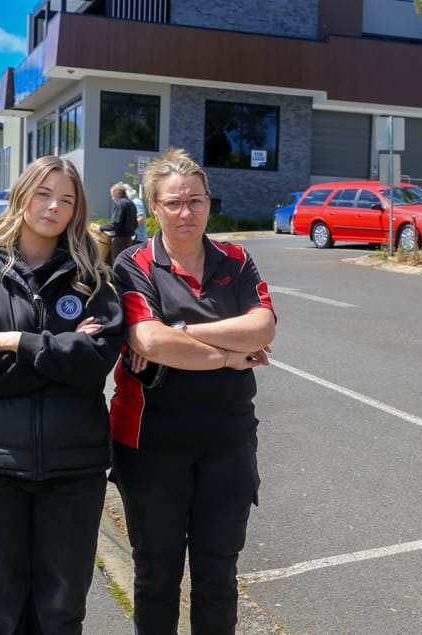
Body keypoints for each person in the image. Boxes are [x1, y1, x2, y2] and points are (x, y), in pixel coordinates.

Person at [0, 155, 125, 634]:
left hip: (73, 469)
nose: (53, 207)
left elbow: (97, 363)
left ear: (77, 210)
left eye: (66, 199)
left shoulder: (94, 279)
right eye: (44, 194)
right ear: (22, 196)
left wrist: (20, 342)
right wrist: (63, 354)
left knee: (61, 612)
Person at [108, 148, 277, 634]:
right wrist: (226, 354)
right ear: (154, 209)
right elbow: (148, 339)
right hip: (151, 444)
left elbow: (262, 329)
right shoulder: (133, 263)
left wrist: (177, 332)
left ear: (209, 204)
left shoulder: (237, 259)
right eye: (174, 203)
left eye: (196, 201)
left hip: (227, 442)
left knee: (218, 575)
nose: (187, 212)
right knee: (157, 574)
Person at [94, 181, 138, 264]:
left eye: (112, 195)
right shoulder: (131, 203)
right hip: (129, 239)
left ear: (117, 193)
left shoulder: (120, 204)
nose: (112, 198)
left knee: (117, 263)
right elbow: (135, 223)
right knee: (126, 263)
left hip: (119, 240)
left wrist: (101, 228)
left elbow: (115, 224)